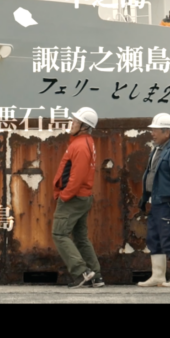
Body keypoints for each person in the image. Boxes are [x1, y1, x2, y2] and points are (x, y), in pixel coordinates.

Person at [137, 113, 170, 288]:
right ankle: (158, 276)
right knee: (154, 238)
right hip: (157, 201)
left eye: (156, 130)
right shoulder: (158, 149)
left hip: (167, 202)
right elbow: (151, 174)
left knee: (168, 239)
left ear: (167, 132)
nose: (152, 133)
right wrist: (145, 198)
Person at [52, 107, 103, 288]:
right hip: (82, 197)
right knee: (80, 237)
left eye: (75, 121)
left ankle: (82, 272)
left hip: (73, 198)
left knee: (59, 233)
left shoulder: (80, 145)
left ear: (84, 126)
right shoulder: (85, 142)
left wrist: (65, 195)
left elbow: (77, 176)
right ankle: (96, 276)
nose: (72, 123)